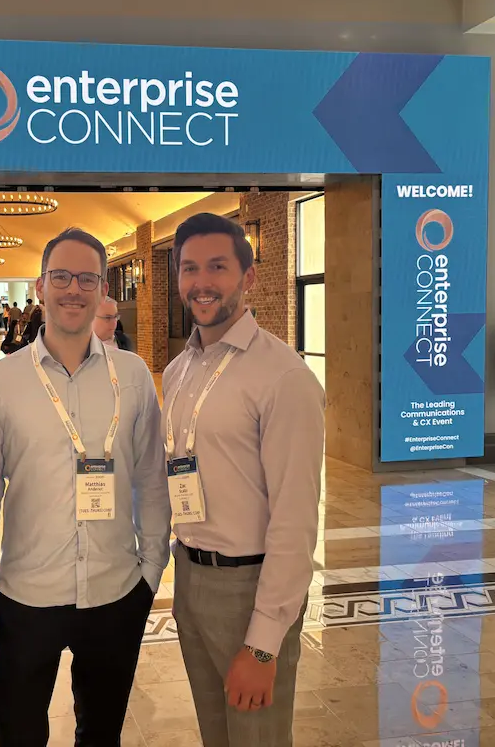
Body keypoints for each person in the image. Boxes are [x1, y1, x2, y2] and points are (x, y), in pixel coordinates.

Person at [0, 227, 171, 747]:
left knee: (101, 734)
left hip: (115, 591)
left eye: (87, 278)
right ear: (40, 286)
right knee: (18, 733)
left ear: (105, 289)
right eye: (61, 276)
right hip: (25, 597)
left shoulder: (134, 375)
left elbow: (151, 479)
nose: (73, 289)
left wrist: (150, 572)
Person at [163, 213, 324, 747]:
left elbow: (296, 520)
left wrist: (263, 643)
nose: (201, 282)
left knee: (257, 738)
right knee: (216, 735)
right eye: (189, 268)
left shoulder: (283, 377)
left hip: (249, 588)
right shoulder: (180, 369)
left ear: (249, 277)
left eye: (217, 267)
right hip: (189, 578)